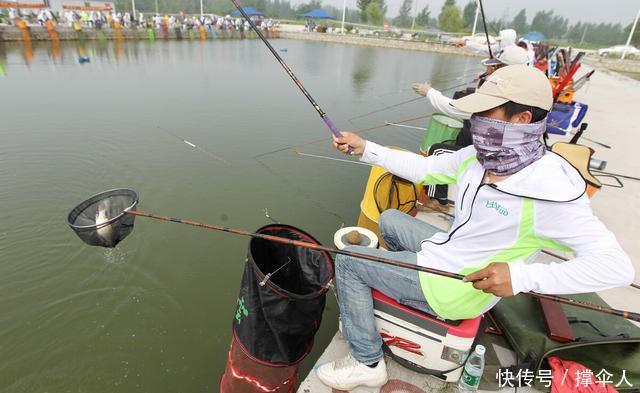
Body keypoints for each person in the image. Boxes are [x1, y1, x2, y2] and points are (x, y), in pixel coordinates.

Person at [317, 65, 634, 391]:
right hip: (448, 251)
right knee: (390, 221)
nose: (475, 120)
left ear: (521, 119)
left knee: (349, 262)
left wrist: (522, 276)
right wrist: (367, 149)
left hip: (460, 287)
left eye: (485, 111)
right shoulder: (479, 156)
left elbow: (616, 267)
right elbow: (426, 169)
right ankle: (403, 289)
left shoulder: (550, 191)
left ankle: (366, 361)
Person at [412, 45, 530, 121]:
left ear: (509, 69)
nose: (494, 69)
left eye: (498, 66)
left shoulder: (500, 97)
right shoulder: (526, 90)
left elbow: (453, 108)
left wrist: (428, 92)